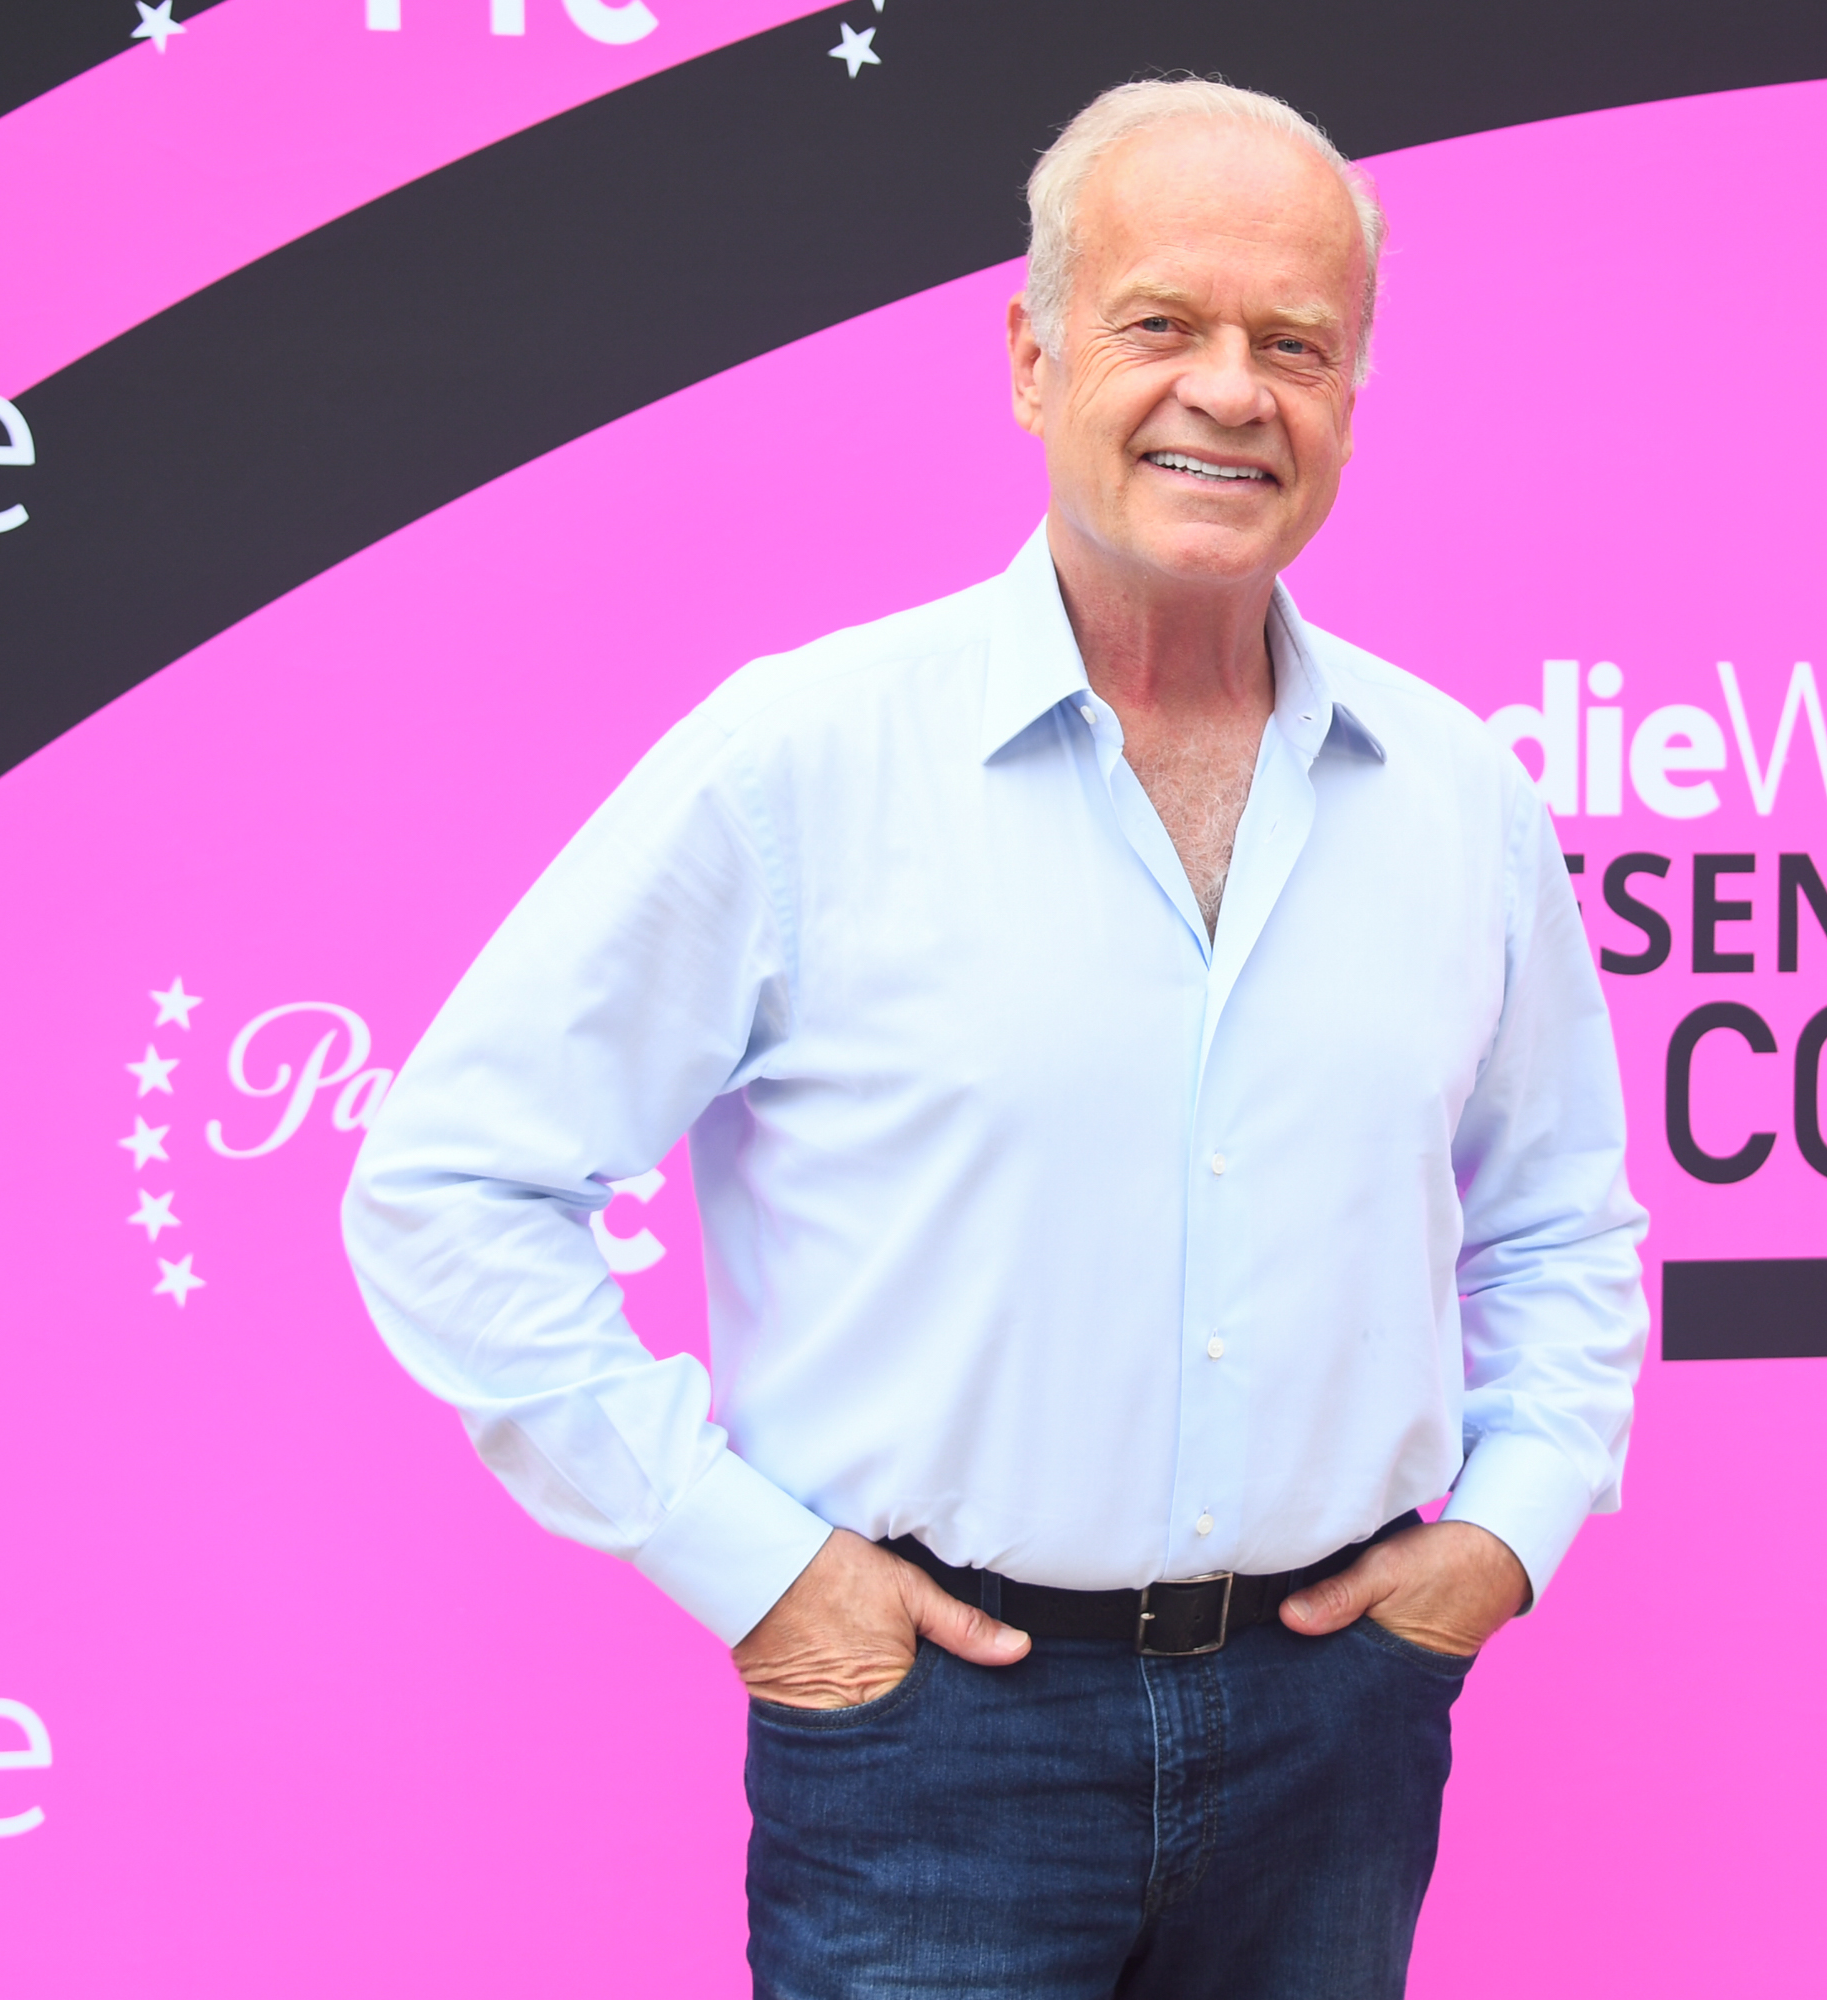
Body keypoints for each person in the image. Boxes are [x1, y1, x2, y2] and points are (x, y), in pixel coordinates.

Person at [344, 76, 1647, 2000]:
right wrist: (753, 1572)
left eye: (1296, 346)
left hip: (1342, 1735)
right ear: (1032, 359)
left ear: (1353, 401)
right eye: (1161, 325)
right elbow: (452, 1186)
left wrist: (1503, 1540)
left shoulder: (1456, 796)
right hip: (934, 1742)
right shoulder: (801, 760)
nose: (1231, 392)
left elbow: (1560, 1223)